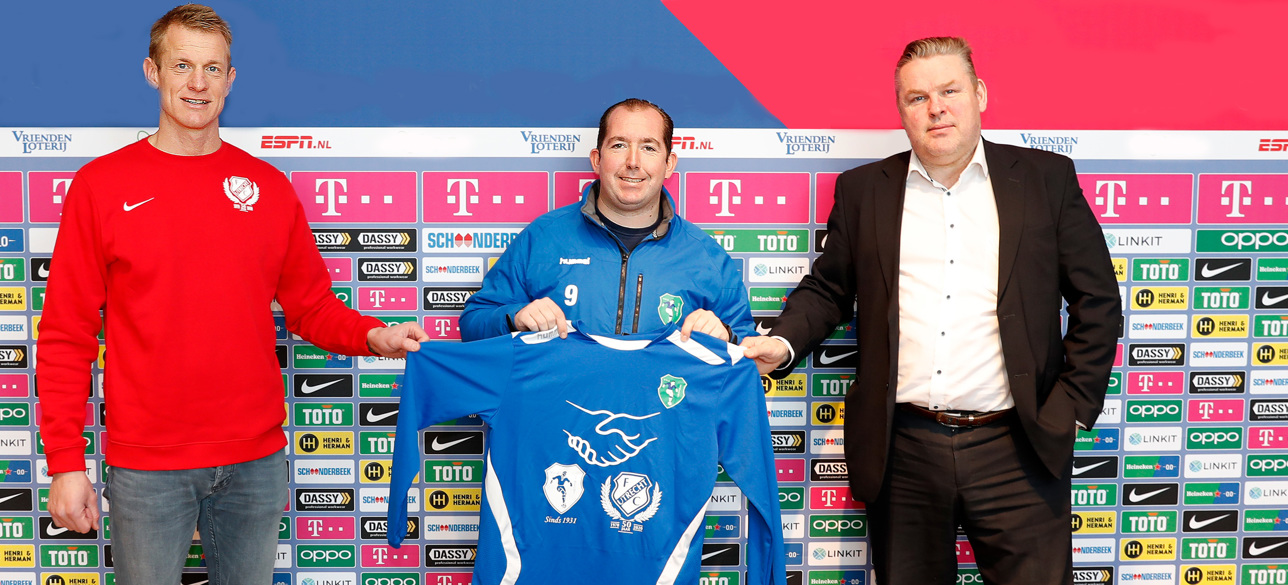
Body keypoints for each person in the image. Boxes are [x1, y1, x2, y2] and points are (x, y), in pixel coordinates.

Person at [36, 4, 428, 583]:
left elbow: (312, 306)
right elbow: (65, 334)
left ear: (230, 79)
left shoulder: (268, 188)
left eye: (213, 68)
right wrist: (66, 463)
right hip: (148, 468)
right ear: (153, 71)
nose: (198, 83)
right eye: (182, 66)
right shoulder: (100, 186)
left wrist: (374, 335)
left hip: (255, 464)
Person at [742, 37, 1122, 584]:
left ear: (979, 94)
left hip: (1020, 448)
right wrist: (781, 343)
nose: (936, 108)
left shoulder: (1046, 179)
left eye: (949, 91)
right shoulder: (863, 191)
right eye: (917, 98)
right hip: (903, 451)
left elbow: (1098, 300)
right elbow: (828, 289)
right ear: (901, 110)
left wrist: (1068, 410)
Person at [460, 98, 754, 343]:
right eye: (619, 145)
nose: (633, 162)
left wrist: (728, 335)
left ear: (669, 165)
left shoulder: (706, 255)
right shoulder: (543, 237)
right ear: (597, 160)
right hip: (562, 399)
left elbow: (748, 348)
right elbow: (473, 324)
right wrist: (515, 318)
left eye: (649, 147)